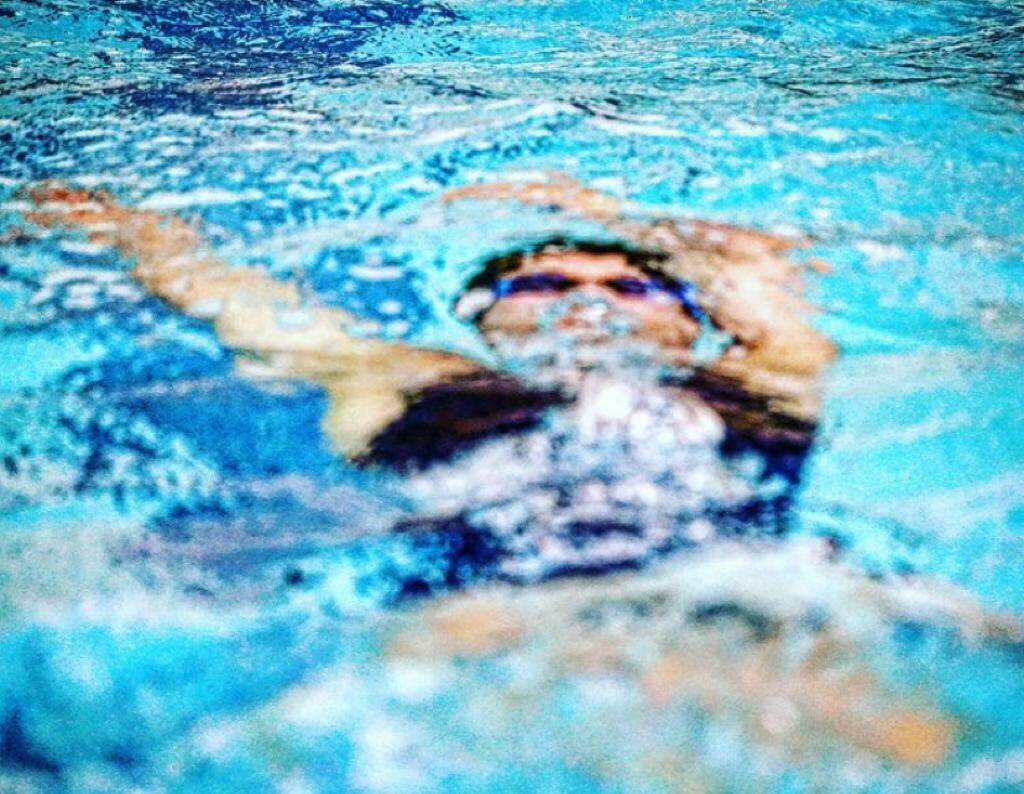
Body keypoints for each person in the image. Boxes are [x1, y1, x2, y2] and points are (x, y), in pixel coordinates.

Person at [23, 176, 835, 581]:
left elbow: (756, 261)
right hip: (482, 621)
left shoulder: (767, 376)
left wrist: (585, 206)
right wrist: (128, 233)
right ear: (484, 318)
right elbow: (244, 305)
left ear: (692, 321)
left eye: (629, 286)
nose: (590, 300)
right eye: (544, 284)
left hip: (760, 598)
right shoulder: (411, 376)